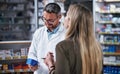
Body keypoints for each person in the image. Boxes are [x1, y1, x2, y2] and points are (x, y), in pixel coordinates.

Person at [44, 4, 103, 74]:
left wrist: (51, 65)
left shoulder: (62, 46)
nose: (64, 18)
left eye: (66, 16)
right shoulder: (97, 47)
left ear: (70, 21)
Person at [26, 3, 66, 74]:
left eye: (51, 20)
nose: (46, 23)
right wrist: (31, 63)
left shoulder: (66, 34)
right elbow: (32, 53)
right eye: (44, 19)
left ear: (59, 17)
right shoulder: (38, 32)